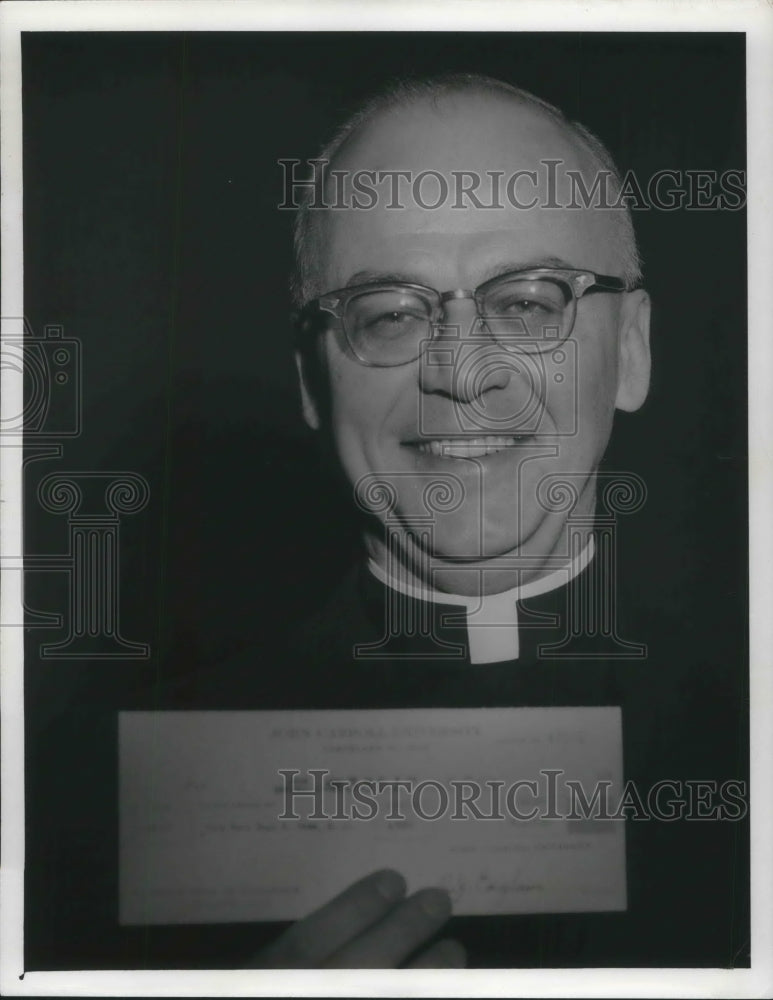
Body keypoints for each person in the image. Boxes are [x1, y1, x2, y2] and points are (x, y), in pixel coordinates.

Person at [207, 74, 743, 968]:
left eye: (526, 303)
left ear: (632, 351)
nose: (461, 373)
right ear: (313, 380)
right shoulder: (116, 787)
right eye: (387, 314)